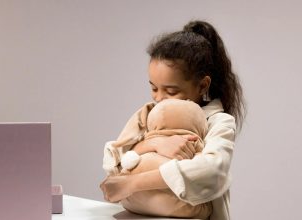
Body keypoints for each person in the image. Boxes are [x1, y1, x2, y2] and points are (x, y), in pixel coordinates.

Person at [100, 20, 246, 220]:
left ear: (203, 85)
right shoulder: (150, 115)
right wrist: (155, 143)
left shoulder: (219, 122)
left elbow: (211, 172)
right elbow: (115, 160)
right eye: (153, 88)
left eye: (171, 91)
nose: (159, 98)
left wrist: (132, 184)